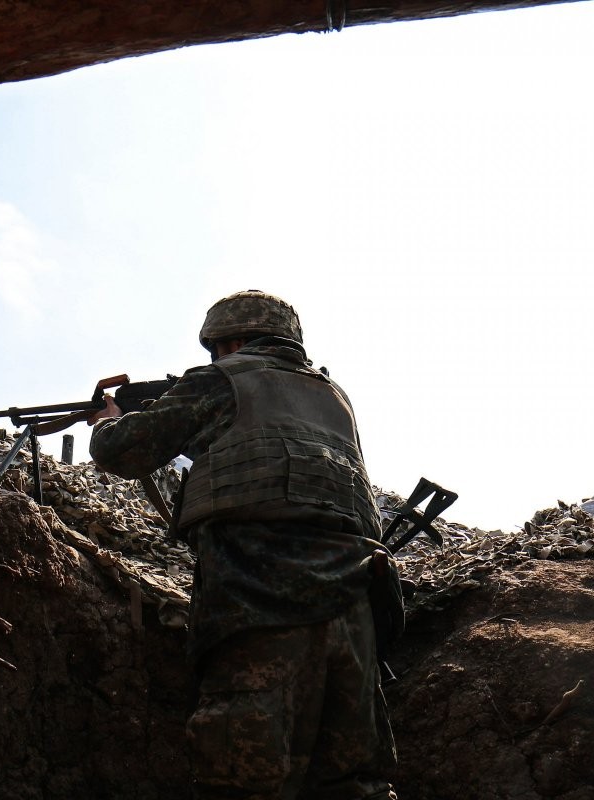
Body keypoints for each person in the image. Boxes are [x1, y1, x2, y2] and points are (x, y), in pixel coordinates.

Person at [88, 290, 399, 800]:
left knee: (244, 773)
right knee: (351, 782)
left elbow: (122, 451)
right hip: (356, 603)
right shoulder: (333, 397)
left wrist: (107, 422)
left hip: (261, 594)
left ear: (227, 340)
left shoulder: (219, 380)